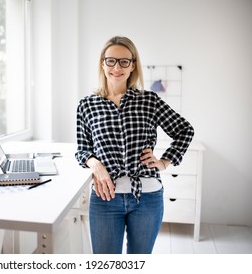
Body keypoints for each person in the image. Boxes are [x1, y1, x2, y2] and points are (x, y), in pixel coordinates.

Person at [75, 36, 194, 254]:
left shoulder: (150, 100)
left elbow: (185, 130)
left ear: (133, 65)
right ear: (103, 63)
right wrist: (95, 165)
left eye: (124, 61)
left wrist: (165, 162)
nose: (116, 67)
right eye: (111, 61)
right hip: (105, 198)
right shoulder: (87, 105)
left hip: (147, 197)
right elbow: (82, 149)